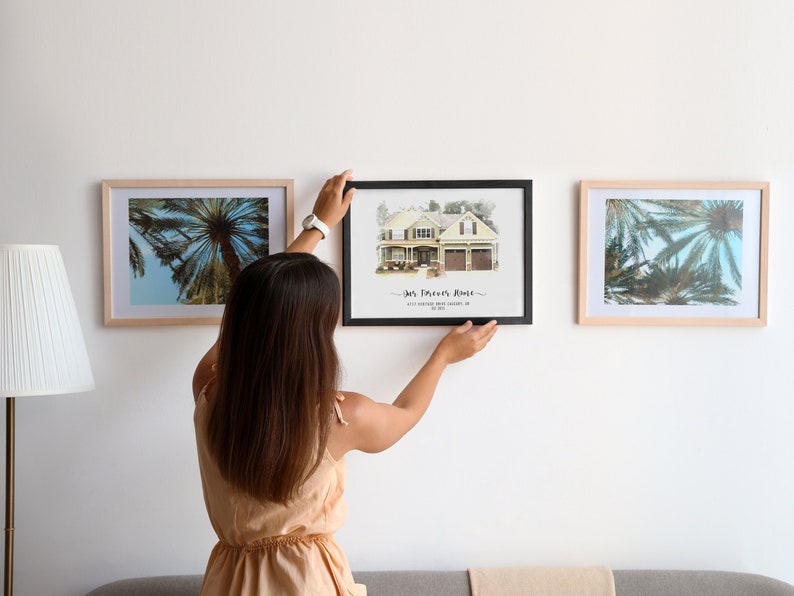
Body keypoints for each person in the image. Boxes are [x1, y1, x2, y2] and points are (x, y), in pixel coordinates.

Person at [192, 170, 498, 595]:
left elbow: (260, 305)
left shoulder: (209, 390)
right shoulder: (338, 416)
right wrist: (444, 355)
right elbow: (406, 413)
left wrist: (317, 228)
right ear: (315, 334)